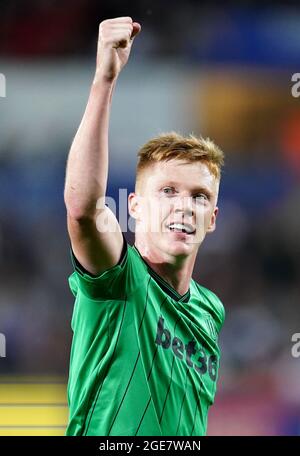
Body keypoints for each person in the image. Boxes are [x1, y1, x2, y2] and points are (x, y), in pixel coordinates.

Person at [64, 17, 225, 436]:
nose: (185, 207)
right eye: (168, 191)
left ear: (213, 217)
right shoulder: (118, 280)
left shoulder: (210, 311)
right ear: (134, 207)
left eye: (199, 196)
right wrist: (104, 79)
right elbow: (83, 209)